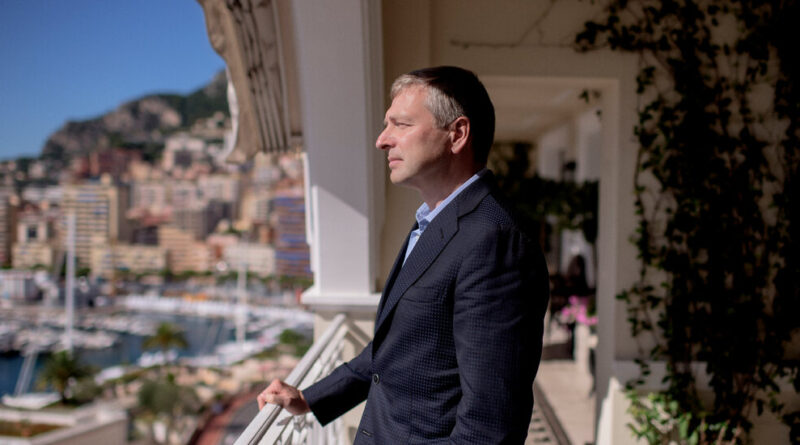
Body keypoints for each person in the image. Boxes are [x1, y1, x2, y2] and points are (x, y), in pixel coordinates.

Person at [258, 66, 550, 444]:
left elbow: (490, 423)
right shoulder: (435, 221)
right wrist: (312, 398)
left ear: (457, 134)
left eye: (401, 124)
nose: (382, 140)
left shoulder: (494, 240)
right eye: (386, 125)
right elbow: (399, 345)